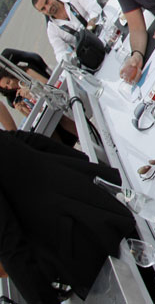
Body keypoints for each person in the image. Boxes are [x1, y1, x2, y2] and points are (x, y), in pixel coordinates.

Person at [0, 129, 135, 303]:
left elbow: (10, 246)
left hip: (85, 242)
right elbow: (27, 140)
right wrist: (80, 169)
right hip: (92, 201)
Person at [31, 0, 102, 64]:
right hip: (91, 53)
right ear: (41, 12)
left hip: (102, 31)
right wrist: (70, 57)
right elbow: (59, 53)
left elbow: (95, 8)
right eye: (43, 9)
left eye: (47, 2)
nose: (48, 8)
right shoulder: (51, 30)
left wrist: (89, 30)